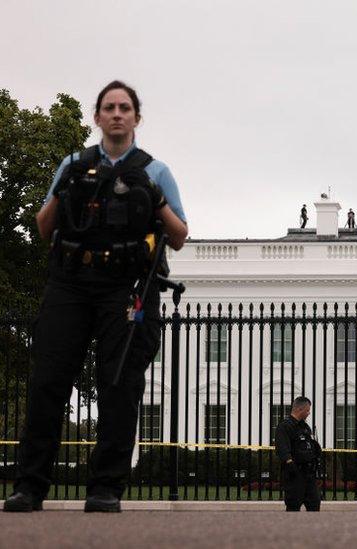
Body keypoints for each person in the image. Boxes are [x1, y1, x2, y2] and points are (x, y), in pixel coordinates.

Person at [4, 81, 188, 514]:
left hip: (125, 288)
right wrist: (64, 187)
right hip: (71, 282)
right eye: (110, 107)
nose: (118, 114)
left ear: (136, 118)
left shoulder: (156, 170)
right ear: (98, 116)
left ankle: (106, 488)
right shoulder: (72, 164)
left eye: (125, 107)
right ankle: (29, 487)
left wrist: (156, 199)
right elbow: (43, 227)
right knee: (48, 383)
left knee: (119, 385)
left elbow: (179, 235)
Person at [275, 396, 323, 512]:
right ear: (300, 409)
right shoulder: (285, 426)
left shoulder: (305, 427)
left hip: (309, 475)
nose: (309, 413)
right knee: (293, 507)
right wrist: (291, 465)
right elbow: (282, 449)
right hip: (295, 475)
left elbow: (310, 445)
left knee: (314, 505)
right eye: (307, 410)